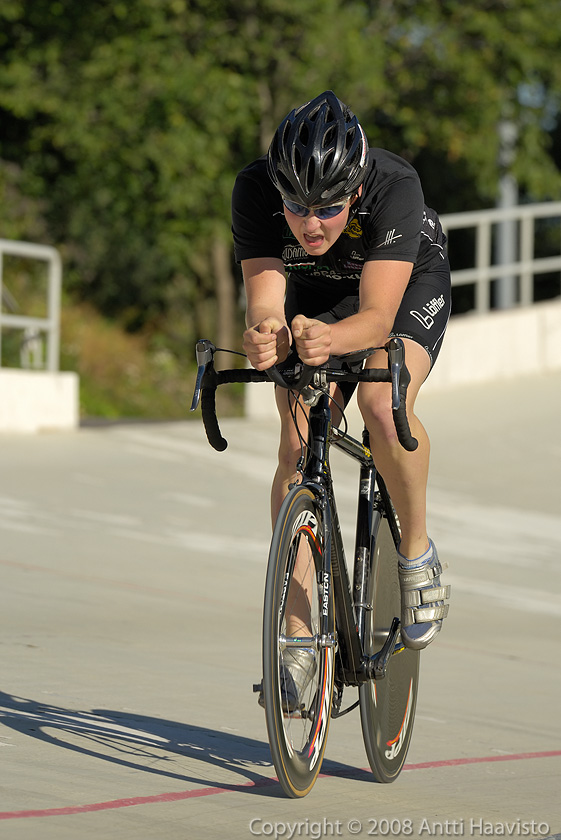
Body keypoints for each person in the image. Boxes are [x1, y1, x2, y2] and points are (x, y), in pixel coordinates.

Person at [232, 91, 451, 707]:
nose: (310, 223)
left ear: (355, 192)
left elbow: (379, 319)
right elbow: (267, 307)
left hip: (400, 286)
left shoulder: (393, 185)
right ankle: (298, 639)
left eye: (328, 207)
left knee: (384, 400)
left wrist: (326, 339)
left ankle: (415, 553)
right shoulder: (253, 190)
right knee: (297, 439)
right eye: (297, 205)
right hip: (316, 290)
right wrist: (268, 338)